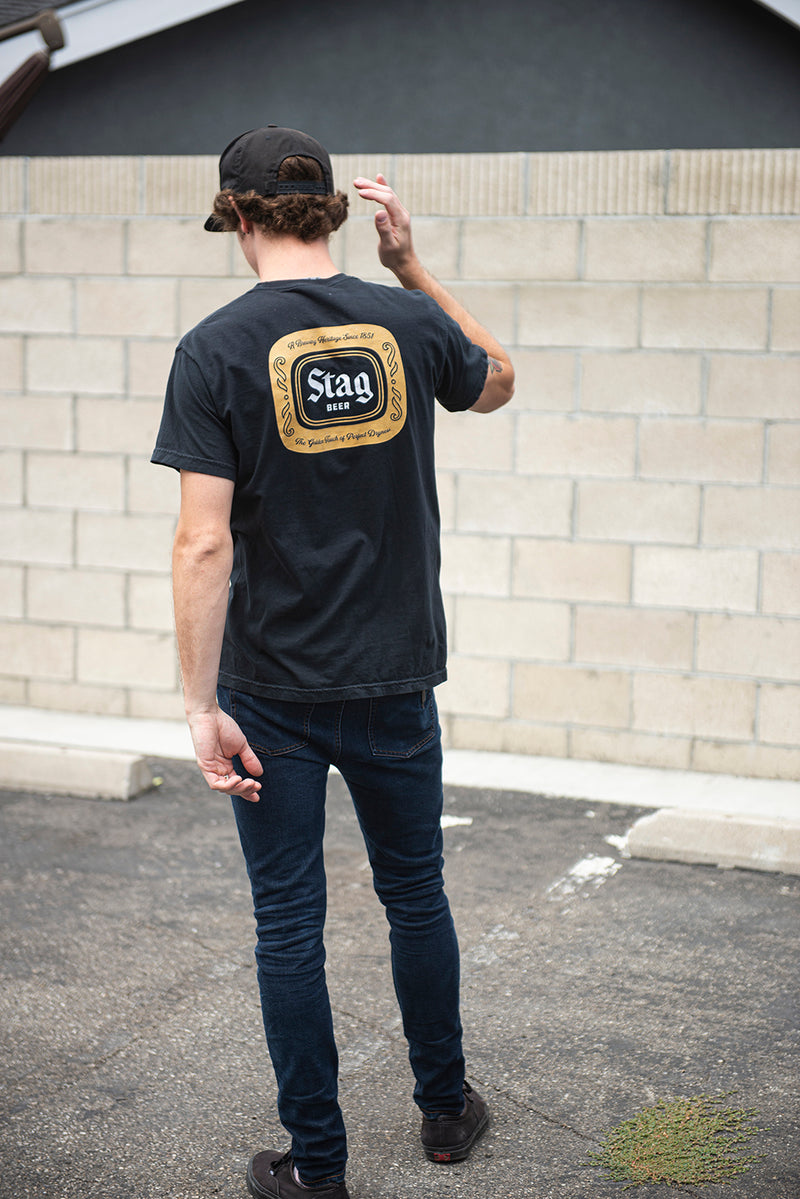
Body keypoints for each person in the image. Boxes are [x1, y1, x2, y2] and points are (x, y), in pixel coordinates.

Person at [151, 125, 514, 1199]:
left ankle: (317, 1166)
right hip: (397, 675)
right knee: (415, 896)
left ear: (239, 215)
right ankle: (444, 1111)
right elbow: (495, 379)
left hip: (271, 691)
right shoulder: (405, 318)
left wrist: (197, 702)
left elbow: (202, 541)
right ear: (338, 215)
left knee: (287, 923)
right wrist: (412, 266)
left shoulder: (213, 348)